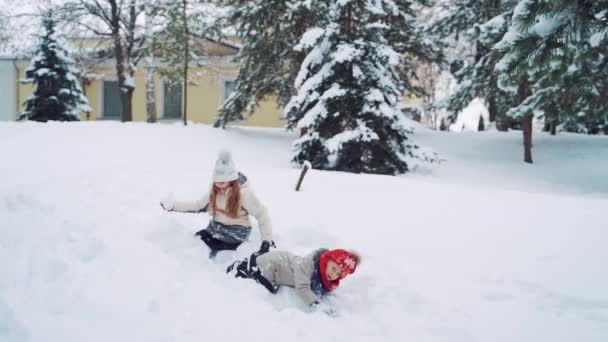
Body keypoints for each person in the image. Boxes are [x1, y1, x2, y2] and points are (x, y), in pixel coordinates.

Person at [160, 150, 274, 258]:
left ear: (232, 179)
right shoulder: (214, 189)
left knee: (214, 249)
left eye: (222, 182)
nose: (219, 184)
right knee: (197, 240)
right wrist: (173, 206)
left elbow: (262, 215)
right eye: (216, 181)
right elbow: (198, 205)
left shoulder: (244, 194)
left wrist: (266, 240)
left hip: (236, 233)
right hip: (214, 228)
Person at [226, 248, 360, 313]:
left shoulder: (324, 279)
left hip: (284, 266)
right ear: (327, 261)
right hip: (275, 264)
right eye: (333, 268)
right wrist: (317, 305)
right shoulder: (310, 265)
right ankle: (245, 267)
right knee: (265, 282)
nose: (333, 273)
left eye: (338, 273)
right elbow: (302, 287)